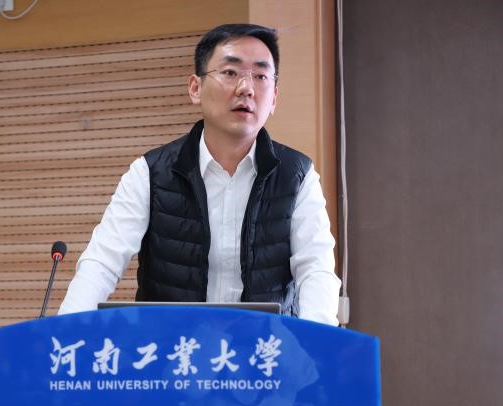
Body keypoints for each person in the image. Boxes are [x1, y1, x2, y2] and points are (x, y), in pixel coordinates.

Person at [58, 23, 341, 325]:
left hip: (263, 350)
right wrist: (65, 332)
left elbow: (316, 270)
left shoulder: (297, 176)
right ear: (195, 88)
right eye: (230, 72)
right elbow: (102, 262)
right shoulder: (150, 173)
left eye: (260, 76)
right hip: (173, 348)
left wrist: (318, 342)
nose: (246, 88)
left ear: (273, 99)